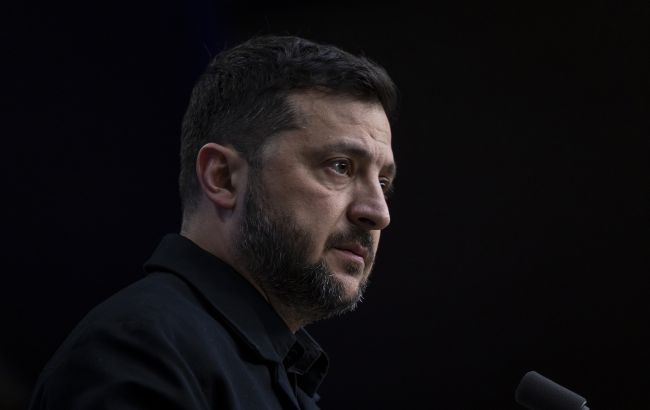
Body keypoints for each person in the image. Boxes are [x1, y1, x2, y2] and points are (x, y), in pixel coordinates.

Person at [29, 35, 398, 409]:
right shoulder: (137, 353)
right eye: (341, 166)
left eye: (383, 183)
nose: (379, 213)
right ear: (223, 177)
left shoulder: (280, 376)